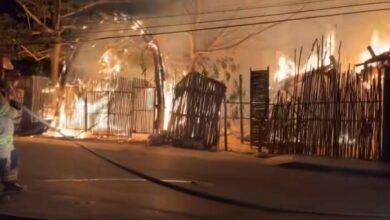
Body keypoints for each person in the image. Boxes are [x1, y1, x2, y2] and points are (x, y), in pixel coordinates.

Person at [0, 81, 24, 195]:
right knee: (3, 163)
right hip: (1, 142)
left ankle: (10, 184)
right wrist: (15, 109)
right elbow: (9, 113)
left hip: (5, 141)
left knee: (13, 159)